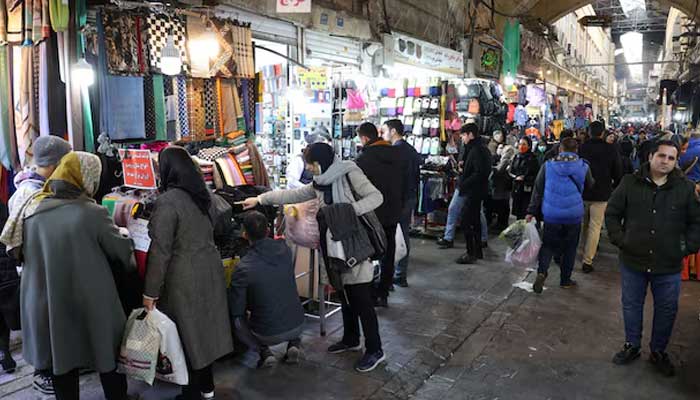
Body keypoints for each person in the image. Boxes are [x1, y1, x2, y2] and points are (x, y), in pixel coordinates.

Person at [240, 143, 386, 373]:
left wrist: (348, 212)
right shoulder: (320, 182)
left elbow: (376, 197)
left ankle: (375, 349)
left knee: (361, 299)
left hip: (355, 246)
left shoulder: (349, 172)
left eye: (310, 163)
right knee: (345, 294)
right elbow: (294, 194)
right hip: (334, 248)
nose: (308, 167)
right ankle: (351, 338)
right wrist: (261, 199)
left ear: (321, 161)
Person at [7, 152, 133, 400]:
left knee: (61, 362)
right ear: (85, 177)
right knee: (106, 355)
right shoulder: (91, 212)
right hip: (89, 300)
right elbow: (120, 252)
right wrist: (125, 235)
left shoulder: (33, 210)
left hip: (48, 304)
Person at [143, 146, 233, 400]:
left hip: (183, 276)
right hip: (209, 269)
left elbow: (161, 251)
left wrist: (150, 292)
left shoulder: (168, 202)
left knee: (187, 337)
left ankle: (191, 393)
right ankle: (207, 388)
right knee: (204, 333)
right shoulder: (204, 196)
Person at [605, 140, 700, 377]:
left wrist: (685, 247)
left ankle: (658, 351)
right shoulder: (630, 183)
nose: (665, 161)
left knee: (667, 309)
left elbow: (696, 223)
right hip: (633, 260)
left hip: (668, 265)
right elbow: (613, 213)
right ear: (650, 157)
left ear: (676, 161)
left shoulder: (685, 188)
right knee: (632, 305)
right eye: (661, 156)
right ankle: (632, 345)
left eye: (671, 158)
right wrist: (621, 239)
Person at [0, 135, 71, 396]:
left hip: (30, 269)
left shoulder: (24, 189)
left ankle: (47, 371)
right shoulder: (37, 195)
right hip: (41, 268)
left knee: (41, 322)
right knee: (46, 324)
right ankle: (47, 374)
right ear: (55, 164)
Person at [229, 211, 305, 368]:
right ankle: (294, 344)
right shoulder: (286, 251)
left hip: (267, 334)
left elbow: (237, 308)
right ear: (268, 230)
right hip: (298, 323)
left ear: (245, 234)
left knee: (236, 318)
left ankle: (264, 352)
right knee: (283, 298)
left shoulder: (243, 267)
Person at [527, 138, 594, 294]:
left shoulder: (548, 166)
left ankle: (542, 272)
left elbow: (537, 190)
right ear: (576, 150)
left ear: (560, 149)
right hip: (574, 215)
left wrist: (531, 210)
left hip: (551, 214)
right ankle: (565, 280)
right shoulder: (584, 166)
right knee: (570, 248)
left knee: (548, 245)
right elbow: (590, 184)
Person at [356, 122, 405, 307]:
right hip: (393, 209)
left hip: (372, 212)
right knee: (389, 251)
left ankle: (368, 291)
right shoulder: (397, 153)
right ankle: (384, 291)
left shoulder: (364, 158)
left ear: (365, 138)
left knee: (369, 252)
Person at [578, 120, 623, 274]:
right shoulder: (611, 149)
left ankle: (582, 251)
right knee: (595, 226)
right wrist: (615, 184)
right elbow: (618, 171)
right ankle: (587, 260)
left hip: (583, 191)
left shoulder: (582, 147)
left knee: (583, 225)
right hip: (602, 193)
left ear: (589, 132)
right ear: (603, 133)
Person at [384, 119, 420, 288]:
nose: (383, 134)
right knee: (403, 235)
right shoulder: (411, 150)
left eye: (384, 131)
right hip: (410, 197)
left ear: (393, 131)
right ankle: (401, 275)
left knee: (393, 237)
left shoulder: (395, 152)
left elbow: (395, 180)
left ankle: (390, 276)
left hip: (399, 199)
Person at [456, 123, 492, 264]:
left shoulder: (477, 150)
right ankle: (477, 251)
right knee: (475, 221)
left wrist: (464, 183)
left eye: (464, 135)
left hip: (474, 191)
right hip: (477, 190)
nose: (463, 138)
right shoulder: (478, 148)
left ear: (471, 135)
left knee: (466, 221)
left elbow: (479, 173)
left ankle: (471, 252)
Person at [509, 136, 539, 220]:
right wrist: (515, 177)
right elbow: (511, 170)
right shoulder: (516, 157)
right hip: (517, 188)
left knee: (525, 212)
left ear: (529, 146)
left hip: (527, 190)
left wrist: (525, 178)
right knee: (518, 213)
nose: (521, 146)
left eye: (524, 144)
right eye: (520, 144)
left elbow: (536, 175)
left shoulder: (533, 159)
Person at [489, 145, 515, 231]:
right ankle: (502, 223)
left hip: (501, 186)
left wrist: (492, 168)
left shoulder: (505, 160)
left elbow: (499, 171)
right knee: (504, 206)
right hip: (505, 187)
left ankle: (501, 225)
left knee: (502, 207)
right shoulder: (509, 159)